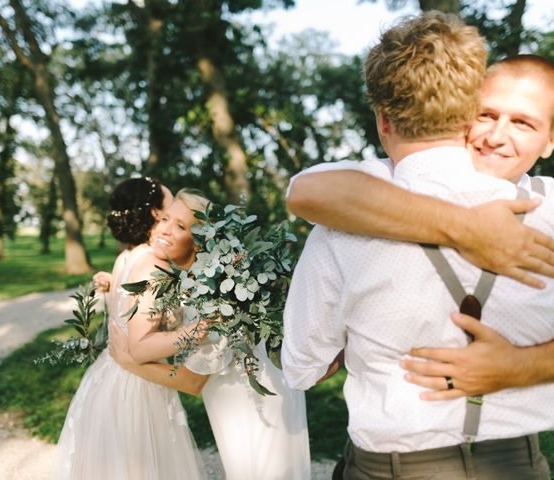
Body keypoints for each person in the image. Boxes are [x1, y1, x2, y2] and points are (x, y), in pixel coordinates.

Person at [282, 12, 554, 480]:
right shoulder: (360, 197)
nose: (496, 136)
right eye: (487, 115)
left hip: (401, 467)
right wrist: (466, 227)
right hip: (511, 464)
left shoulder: (341, 226)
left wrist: (522, 366)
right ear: (465, 113)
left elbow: (303, 368)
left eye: (523, 123)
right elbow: (310, 191)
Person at [108, 189, 311, 480]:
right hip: (234, 400)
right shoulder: (193, 280)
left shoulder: (214, 294)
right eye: (165, 219)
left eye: (180, 226)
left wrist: (127, 361)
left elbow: (192, 381)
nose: (164, 229)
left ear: (201, 241)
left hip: (257, 402)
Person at [54, 178, 207, 480]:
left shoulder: (126, 257)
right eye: (165, 213)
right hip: (137, 387)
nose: (168, 221)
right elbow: (141, 343)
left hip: (108, 377)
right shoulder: (154, 266)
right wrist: (198, 329)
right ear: (154, 216)